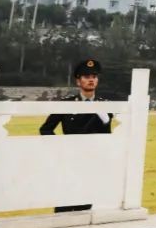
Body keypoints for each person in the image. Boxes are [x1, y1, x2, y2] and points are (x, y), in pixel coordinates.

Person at [39, 58, 113, 212]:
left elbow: (107, 134)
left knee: (85, 204)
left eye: (94, 77)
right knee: (63, 203)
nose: (91, 80)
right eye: (86, 77)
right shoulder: (66, 103)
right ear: (78, 81)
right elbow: (45, 129)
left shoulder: (105, 105)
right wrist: (60, 146)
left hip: (90, 160)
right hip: (68, 158)